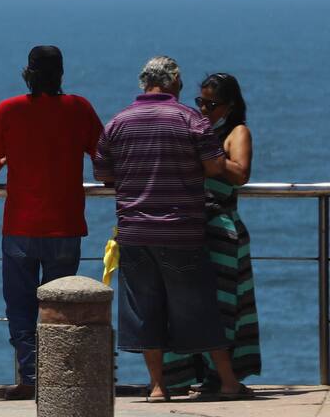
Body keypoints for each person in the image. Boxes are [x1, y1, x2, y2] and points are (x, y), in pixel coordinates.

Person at [93, 56, 253, 402]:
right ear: (175, 81)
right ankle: (227, 381)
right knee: (198, 308)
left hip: (134, 231)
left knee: (147, 311)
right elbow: (213, 165)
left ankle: (158, 387)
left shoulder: (118, 122)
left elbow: (103, 173)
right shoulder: (189, 118)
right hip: (182, 229)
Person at [0, 45, 103, 400]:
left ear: (27, 74)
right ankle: (62, 378)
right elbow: (105, 156)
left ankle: (31, 378)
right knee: (61, 306)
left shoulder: (9, 109)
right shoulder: (79, 108)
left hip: (20, 226)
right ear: (61, 75)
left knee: (20, 306)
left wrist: (5, 158)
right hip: (65, 224)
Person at [163, 72, 261, 393]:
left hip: (222, 228)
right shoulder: (198, 130)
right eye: (200, 102)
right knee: (191, 302)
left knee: (225, 304)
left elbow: (241, 174)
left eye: (212, 104)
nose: (204, 109)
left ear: (230, 106)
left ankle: (224, 376)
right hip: (193, 226)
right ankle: (191, 374)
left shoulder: (237, 132)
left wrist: (212, 158)